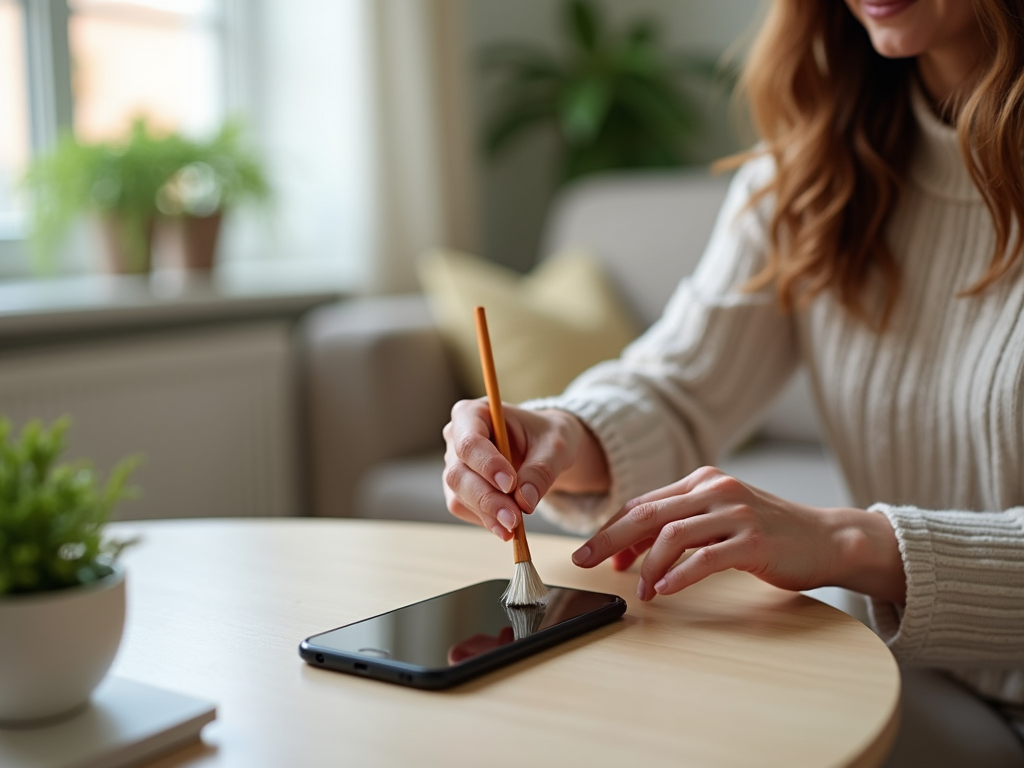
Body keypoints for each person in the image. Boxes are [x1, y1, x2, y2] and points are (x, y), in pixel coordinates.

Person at [442, 0, 1024, 764]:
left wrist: (848, 540)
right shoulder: (811, 171)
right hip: (897, 678)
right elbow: (679, 385)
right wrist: (562, 435)